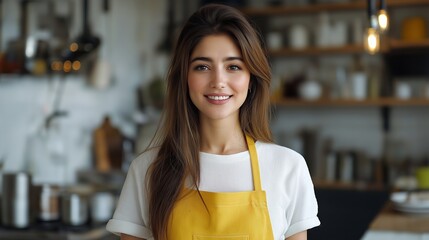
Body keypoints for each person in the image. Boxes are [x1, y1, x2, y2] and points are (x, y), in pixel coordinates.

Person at [106, 3, 320, 240]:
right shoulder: (148, 170)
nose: (218, 81)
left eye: (233, 66)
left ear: (251, 80)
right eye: (202, 67)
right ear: (185, 78)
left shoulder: (288, 167)